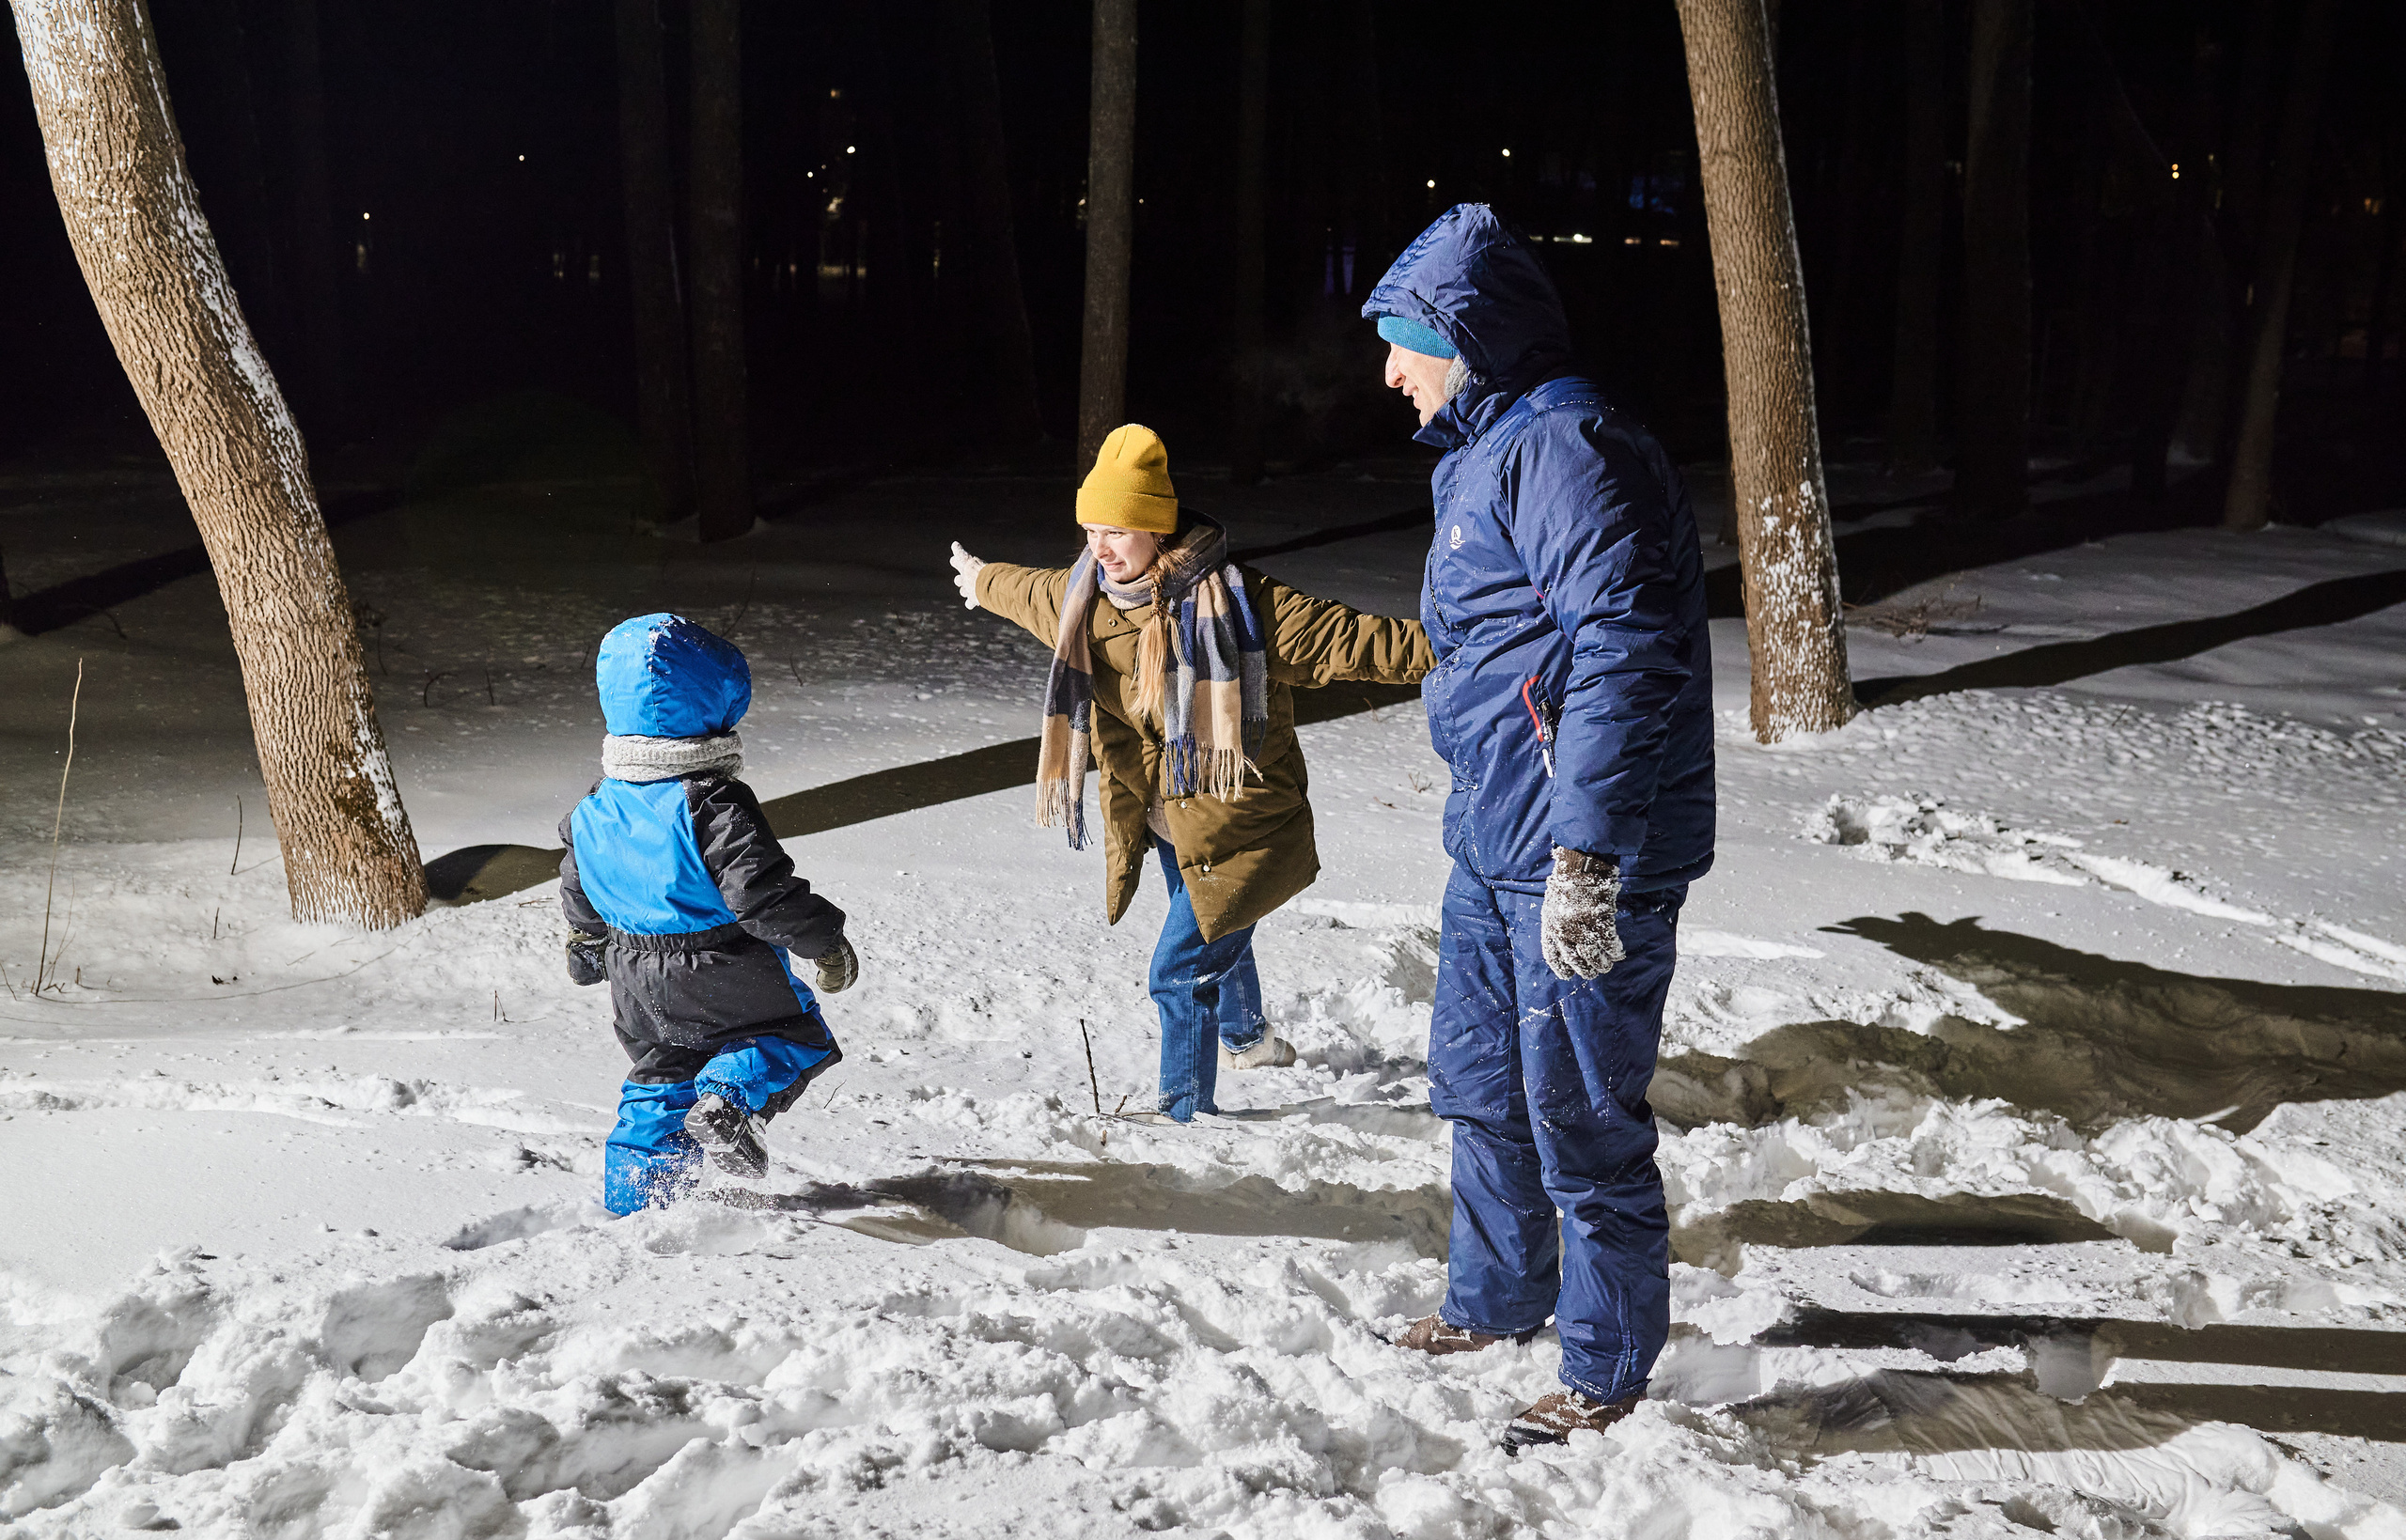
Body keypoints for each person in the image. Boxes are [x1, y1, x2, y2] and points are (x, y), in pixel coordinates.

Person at [1363, 205, 1715, 1448]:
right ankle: (1495, 1293)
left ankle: (1607, 1363)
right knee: (1481, 1083)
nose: (1390, 369)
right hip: (1497, 839)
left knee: (1577, 1109)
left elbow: (1626, 652)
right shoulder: (1491, 447)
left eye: (1408, 341)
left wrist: (1589, 853)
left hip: (1576, 853)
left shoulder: (1565, 446)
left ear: (1470, 338)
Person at [949, 424, 1432, 1123]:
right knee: (1214, 932)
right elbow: (1029, 591)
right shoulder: (1083, 598)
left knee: (1178, 970)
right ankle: (1248, 1039)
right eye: (1090, 528)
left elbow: (1353, 640)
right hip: (1170, 820)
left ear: (1156, 527)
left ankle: (1183, 1117)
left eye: (1117, 529)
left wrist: (1458, 646)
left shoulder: (1240, 604)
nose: (1101, 547)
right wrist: (982, 580)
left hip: (1244, 820)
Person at [559, 613, 860, 1214]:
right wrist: (823, 941)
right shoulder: (710, 802)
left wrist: (586, 943)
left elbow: (580, 882)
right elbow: (759, 892)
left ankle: (635, 1200)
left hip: (632, 974)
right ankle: (728, 1101)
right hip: (722, 962)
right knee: (790, 1036)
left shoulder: (594, 805)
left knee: (660, 1073)